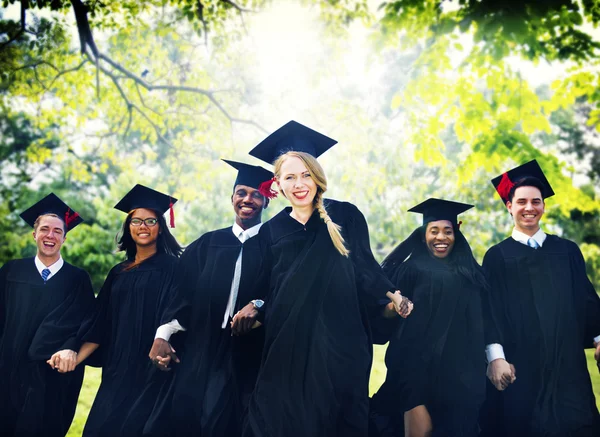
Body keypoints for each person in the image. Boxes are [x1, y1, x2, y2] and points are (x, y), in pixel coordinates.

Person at [238, 120, 413, 437]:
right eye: (289, 176)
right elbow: (264, 288)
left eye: (306, 174)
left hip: (340, 343)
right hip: (287, 345)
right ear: (277, 184)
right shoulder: (270, 231)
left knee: (336, 421)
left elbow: (365, 267)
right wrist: (254, 305)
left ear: (317, 176)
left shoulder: (345, 215)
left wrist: (393, 295)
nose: (299, 182)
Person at [143, 159, 275, 437]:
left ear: (266, 202)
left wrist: (261, 306)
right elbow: (182, 295)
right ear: (232, 198)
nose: (247, 199)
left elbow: (283, 292)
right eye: (241, 192)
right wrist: (162, 335)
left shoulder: (276, 246)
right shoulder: (207, 244)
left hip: (250, 354)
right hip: (201, 348)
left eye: (256, 194)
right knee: (187, 418)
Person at [480, 160, 600, 437]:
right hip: (522, 367)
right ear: (509, 207)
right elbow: (490, 310)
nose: (529, 208)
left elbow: (585, 297)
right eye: (521, 201)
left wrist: (598, 339)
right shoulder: (498, 256)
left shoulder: (566, 251)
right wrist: (495, 357)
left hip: (567, 366)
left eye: (536, 201)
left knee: (578, 424)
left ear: (544, 206)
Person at [67, 184, 183, 437]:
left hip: (153, 369)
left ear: (160, 227)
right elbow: (100, 322)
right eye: (136, 221)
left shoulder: (175, 268)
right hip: (117, 368)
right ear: (128, 228)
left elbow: (181, 311)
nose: (143, 226)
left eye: (150, 220)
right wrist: (75, 357)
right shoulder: (118, 272)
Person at [369, 198, 487, 437]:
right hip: (415, 370)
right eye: (434, 231)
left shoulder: (472, 274)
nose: (441, 238)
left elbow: (483, 322)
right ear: (424, 235)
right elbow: (382, 315)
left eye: (447, 231)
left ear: (458, 231)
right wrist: (393, 308)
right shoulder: (410, 269)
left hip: (460, 375)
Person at [0, 194, 95, 437]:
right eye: (44, 229)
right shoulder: (11, 271)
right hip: (8, 371)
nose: (50, 236)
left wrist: (72, 348)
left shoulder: (78, 279)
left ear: (64, 237)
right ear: (35, 234)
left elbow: (88, 324)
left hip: (51, 377)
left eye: (57, 231)